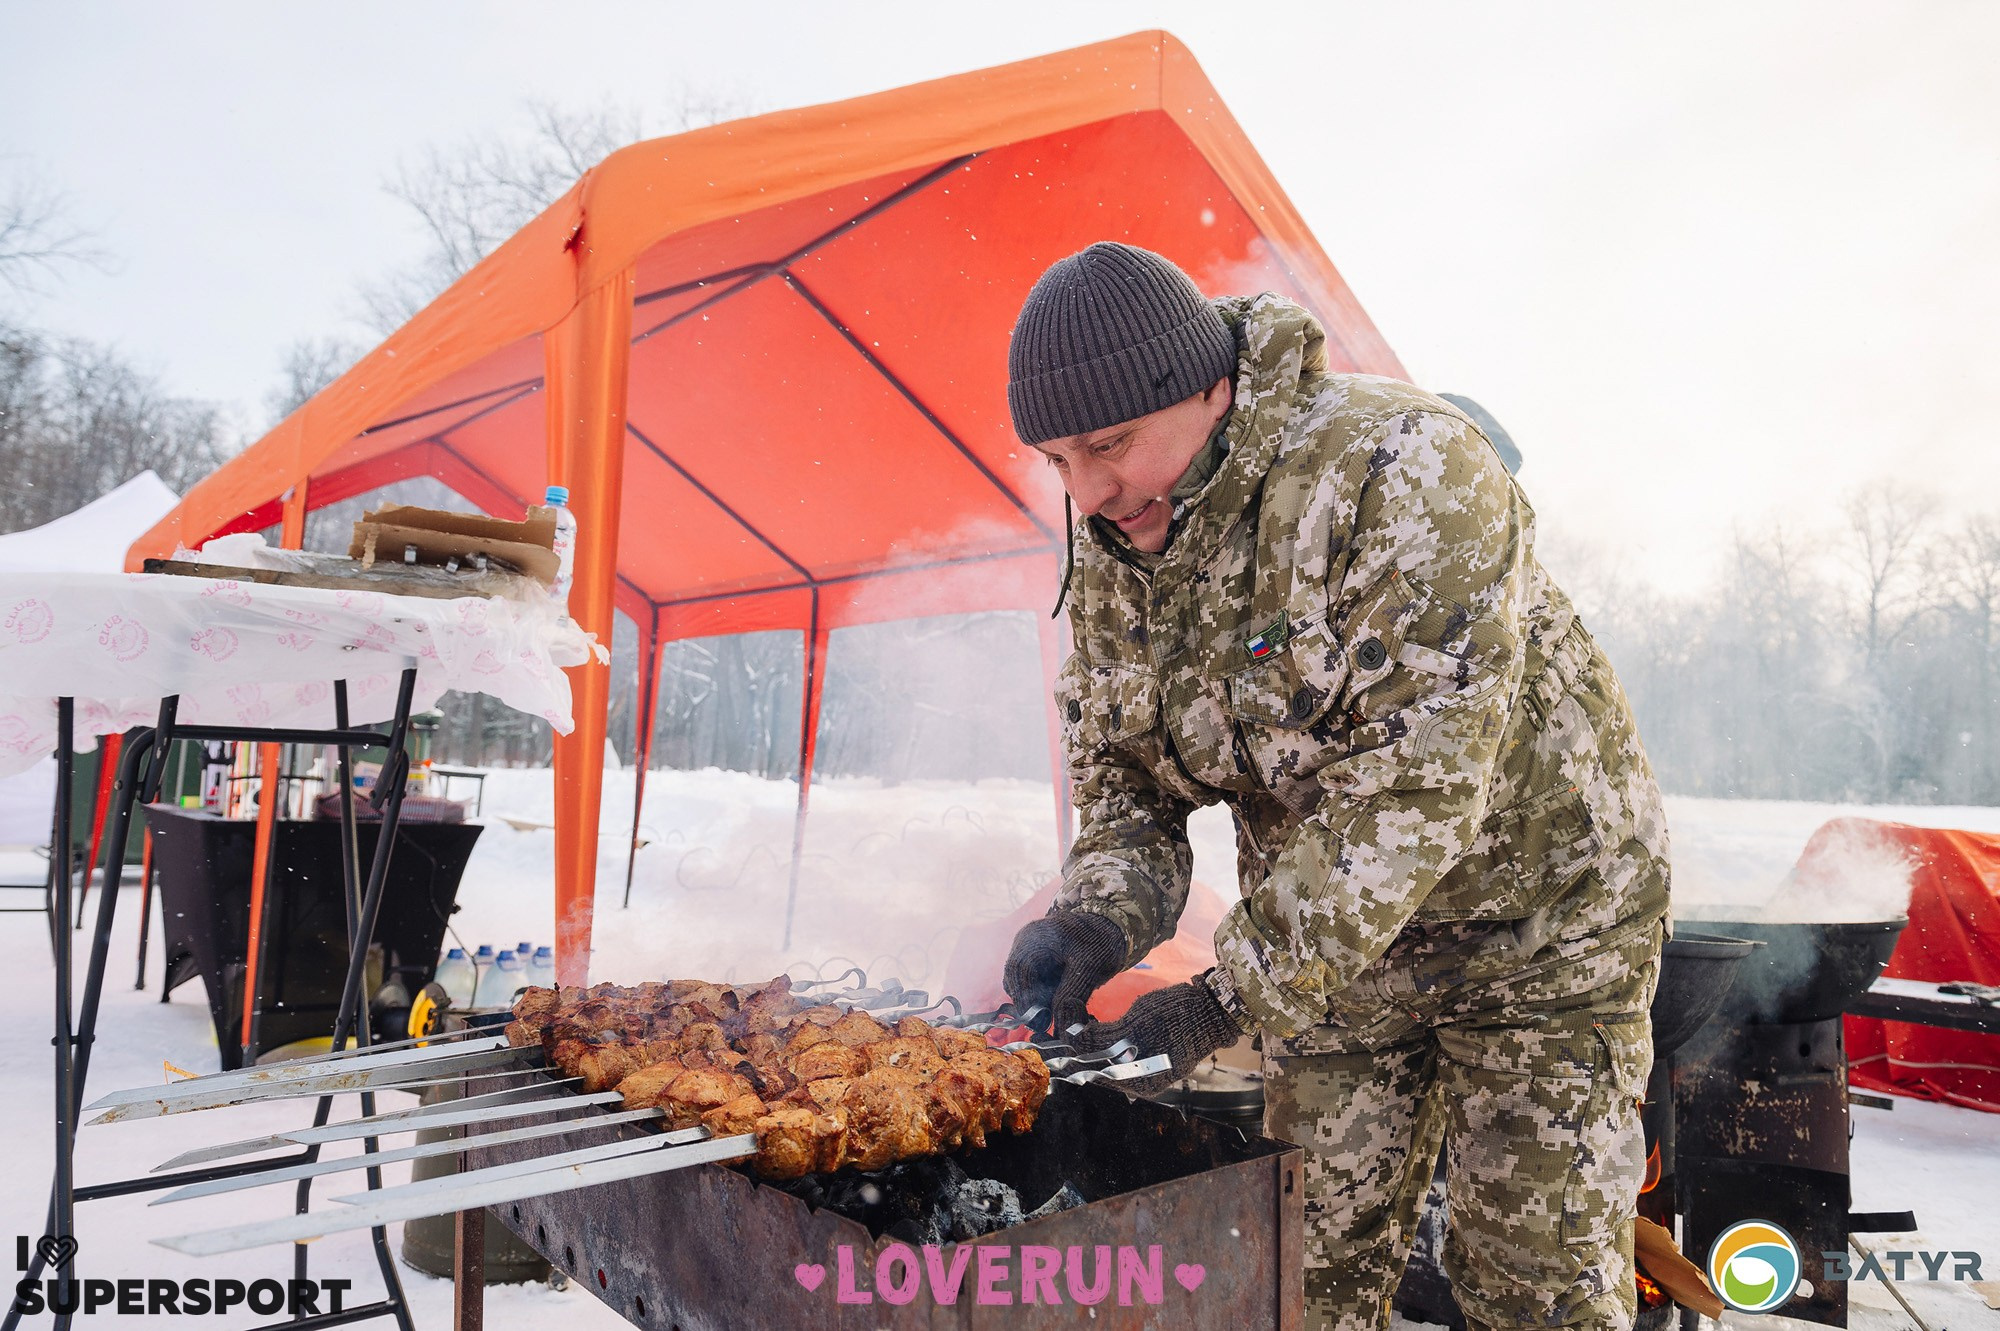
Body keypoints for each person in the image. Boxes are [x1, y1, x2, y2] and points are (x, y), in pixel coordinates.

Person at [999, 242, 1669, 1331]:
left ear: (1208, 386)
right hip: (1338, 960)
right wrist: (1093, 919)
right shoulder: (1119, 549)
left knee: (1530, 1291)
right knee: (1301, 1277)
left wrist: (1224, 997)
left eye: (1108, 446)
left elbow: (1413, 793)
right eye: (1055, 459)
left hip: (1539, 929)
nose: (1085, 490)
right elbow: (1129, 782)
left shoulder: (1401, 470)